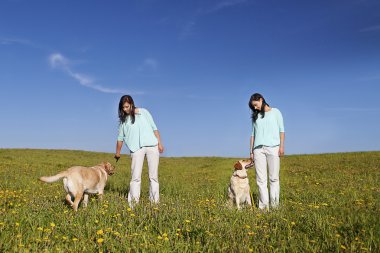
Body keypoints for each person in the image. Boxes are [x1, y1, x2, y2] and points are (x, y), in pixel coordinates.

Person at [114, 95, 164, 207]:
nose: (125, 109)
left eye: (127, 107)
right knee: (135, 177)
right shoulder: (123, 121)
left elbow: (154, 128)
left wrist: (159, 143)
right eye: (123, 108)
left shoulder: (144, 112)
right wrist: (118, 152)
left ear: (131, 104)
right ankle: (133, 204)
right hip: (136, 149)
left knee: (153, 176)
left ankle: (154, 203)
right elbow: (120, 138)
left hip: (152, 146)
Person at [248, 93, 285, 210]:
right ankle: (263, 208)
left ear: (261, 99)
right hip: (258, 150)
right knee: (261, 180)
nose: (255, 107)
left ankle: (274, 207)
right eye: (253, 106)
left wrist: (281, 147)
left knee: (274, 178)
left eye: (255, 104)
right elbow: (253, 135)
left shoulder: (276, 112)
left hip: (273, 148)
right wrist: (251, 151)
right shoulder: (256, 117)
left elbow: (282, 131)